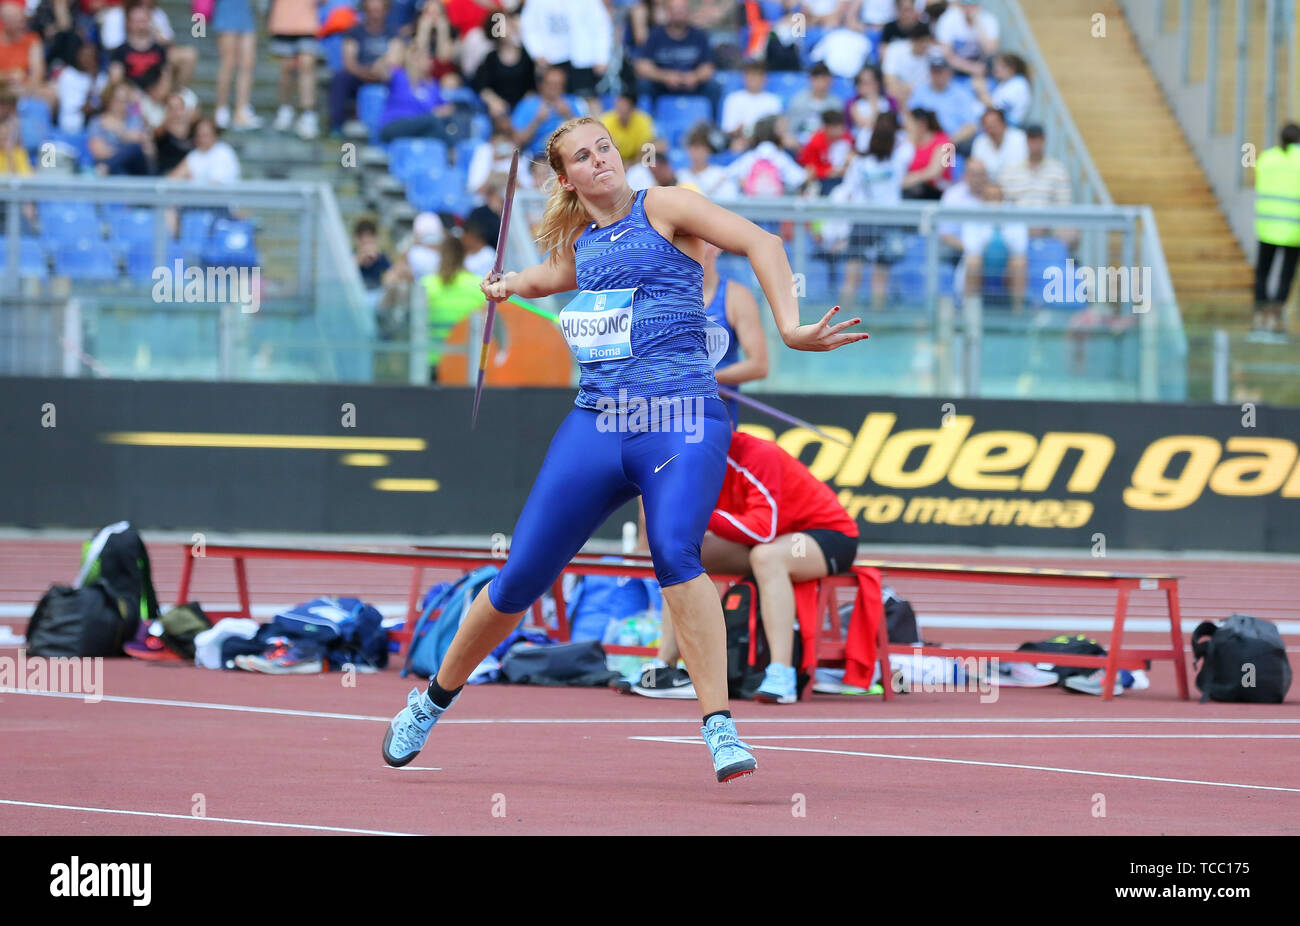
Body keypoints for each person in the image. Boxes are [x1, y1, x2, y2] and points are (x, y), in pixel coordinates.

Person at [380, 115, 867, 783]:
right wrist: (508, 285)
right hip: (598, 422)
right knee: (519, 577)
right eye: (583, 156)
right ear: (567, 179)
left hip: (681, 417)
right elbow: (548, 275)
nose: (600, 159)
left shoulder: (664, 206)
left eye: (604, 146)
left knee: (675, 551)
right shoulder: (581, 242)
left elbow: (761, 241)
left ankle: (719, 726)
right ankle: (431, 701)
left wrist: (789, 325)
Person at [629, 429, 860, 704]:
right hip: (770, 538)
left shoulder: (759, 455)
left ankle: (781, 674)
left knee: (768, 556)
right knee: (683, 556)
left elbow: (763, 528)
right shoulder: (689, 458)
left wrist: (700, 514)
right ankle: (665, 668)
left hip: (824, 535)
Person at [634, 0, 720, 120]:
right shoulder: (656, 35)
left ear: (688, 12)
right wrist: (665, 76)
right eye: (675, 9)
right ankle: (649, 125)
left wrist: (695, 77)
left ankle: (712, 127)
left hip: (692, 84)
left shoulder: (699, 35)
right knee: (643, 86)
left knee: (713, 87)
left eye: (682, 9)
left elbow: (708, 68)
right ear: (667, 12)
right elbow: (642, 66)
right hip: (663, 85)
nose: (679, 13)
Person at [1252, 122, 1300, 334]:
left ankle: (1260, 312)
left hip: (1267, 227)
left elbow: (1260, 183)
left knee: (1263, 272)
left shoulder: (1266, 158)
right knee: (1286, 275)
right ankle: (1275, 313)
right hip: (1294, 231)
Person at [329, 0, 401, 135]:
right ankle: (337, 125)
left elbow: (394, 59)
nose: (375, 15)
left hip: (384, 74)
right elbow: (349, 61)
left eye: (378, 11)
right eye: (371, 11)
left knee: (399, 77)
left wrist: (379, 69)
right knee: (340, 78)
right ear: (365, 11)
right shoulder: (355, 31)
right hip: (360, 74)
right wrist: (365, 73)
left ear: (385, 11)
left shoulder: (392, 31)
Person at [268, 0, 320, 139]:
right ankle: (286, 108)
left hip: (308, 22)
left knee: (307, 66)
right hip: (283, 22)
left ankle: (308, 113)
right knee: (287, 68)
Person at [512, 65, 586, 159]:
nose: (553, 88)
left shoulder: (573, 102)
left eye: (558, 84)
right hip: (535, 159)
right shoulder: (527, 104)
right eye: (549, 84)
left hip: (567, 156)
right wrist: (537, 121)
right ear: (541, 84)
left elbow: (584, 134)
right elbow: (518, 140)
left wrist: (568, 115)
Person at [87, 79, 155, 175]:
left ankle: (108, 167)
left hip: (135, 168)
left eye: (126, 101)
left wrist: (120, 132)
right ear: (109, 100)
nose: (123, 105)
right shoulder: (97, 122)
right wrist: (124, 151)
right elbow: (98, 151)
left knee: (134, 148)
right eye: (119, 100)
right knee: (120, 169)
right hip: (113, 169)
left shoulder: (136, 120)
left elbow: (147, 151)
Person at [210, 0, 260, 129]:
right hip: (227, 8)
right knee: (228, 63)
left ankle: (242, 110)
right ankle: (221, 108)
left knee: (248, 63)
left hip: (245, 10)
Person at [720, 59, 781, 149]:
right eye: (751, 75)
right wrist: (738, 130)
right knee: (737, 146)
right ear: (744, 77)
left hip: (766, 142)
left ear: (765, 79)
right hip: (740, 139)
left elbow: (775, 129)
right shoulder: (733, 99)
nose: (754, 79)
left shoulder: (773, 100)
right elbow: (727, 130)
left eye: (758, 75)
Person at [167, 115, 240, 182]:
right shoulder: (194, 155)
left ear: (215, 135)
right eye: (199, 135)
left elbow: (215, 185)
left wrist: (192, 179)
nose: (201, 139)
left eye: (205, 135)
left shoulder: (223, 152)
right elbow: (172, 179)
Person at [900, 106, 951, 198]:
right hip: (914, 187)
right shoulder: (908, 143)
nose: (907, 129)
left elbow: (935, 173)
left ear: (921, 125)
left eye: (909, 125)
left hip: (937, 190)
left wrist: (911, 179)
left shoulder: (945, 142)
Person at [969, 106, 1026, 181]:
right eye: (987, 125)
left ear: (1003, 123)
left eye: (994, 124)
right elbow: (976, 169)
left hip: (1016, 184)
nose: (991, 128)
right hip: (987, 188)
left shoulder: (1020, 138)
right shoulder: (979, 142)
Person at [973, 52, 1030, 127]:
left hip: (1006, 127)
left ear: (1011, 68)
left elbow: (997, 109)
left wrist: (981, 91)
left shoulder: (1018, 84)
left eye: (1000, 66)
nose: (995, 69)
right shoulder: (1006, 82)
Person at [600, 90, 655, 164]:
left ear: (632, 107)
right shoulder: (606, 120)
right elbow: (605, 151)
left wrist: (629, 165)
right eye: (618, 104)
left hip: (635, 163)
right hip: (614, 162)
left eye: (624, 105)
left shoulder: (643, 120)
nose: (620, 107)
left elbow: (645, 149)